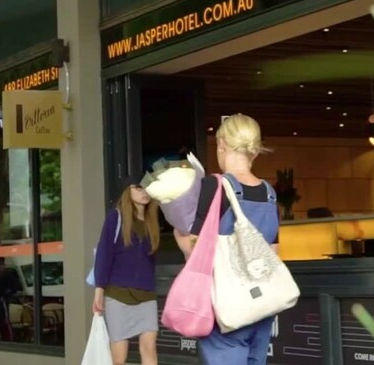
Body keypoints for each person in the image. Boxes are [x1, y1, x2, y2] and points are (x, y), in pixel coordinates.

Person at [174, 113, 280, 365]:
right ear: (253, 150)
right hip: (262, 303)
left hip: (226, 304)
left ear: (222, 143)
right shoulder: (269, 192)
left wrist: (179, 233)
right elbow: (274, 252)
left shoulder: (214, 186)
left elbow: (195, 250)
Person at [93, 183, 161, 365]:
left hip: (146, 293)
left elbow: (150, 261)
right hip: (118, 294)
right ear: (127, 192)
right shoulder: (116, 217)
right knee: (119, 357)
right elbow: (104, 253)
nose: (144, 192)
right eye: (138, 188)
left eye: (147, 188)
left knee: (150, 349)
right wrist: (99, 290)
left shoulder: (151, 221)